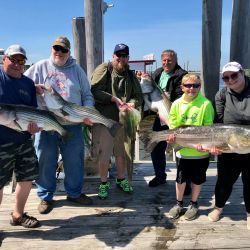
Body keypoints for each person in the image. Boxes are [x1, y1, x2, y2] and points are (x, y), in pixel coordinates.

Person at [24, 36, 94, 214]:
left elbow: (87, 94)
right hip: (45, 123)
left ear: (69, 52)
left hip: (72, 122)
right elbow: (22, 85)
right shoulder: (39, 66)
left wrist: (87, 112)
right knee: (45, 159)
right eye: (56, 48)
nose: (59, 52)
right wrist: (34, 88)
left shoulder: (77, 70)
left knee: (74, 159)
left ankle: (74, 192)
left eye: (63, 49)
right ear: (51, 49)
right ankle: (45, 196)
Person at [91, 43, 143, 199]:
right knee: (104, 153)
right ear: (113, 56)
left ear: (128, 58)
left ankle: (121, 179)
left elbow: (138, 96)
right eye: (118, 55)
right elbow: (94, 91)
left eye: (124, 56)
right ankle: (103, 183)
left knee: (122, 153)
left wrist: (133, 103)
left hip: (124, 120)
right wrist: (113, 99)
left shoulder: (130, 74)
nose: (121, 58)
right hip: (105, 120)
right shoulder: (104, 69)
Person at [0, 45, 40, 228]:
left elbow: (33, 112)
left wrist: (33, 128)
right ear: (4, 59)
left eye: (21, 61)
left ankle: (18, 215)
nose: (17, 64)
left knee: (27, 177)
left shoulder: (28, 84)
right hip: (1, 142)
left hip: (24, 140)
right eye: (13, 59)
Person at [207, 62, 250, 230]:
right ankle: (218, 207)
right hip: (228, 144)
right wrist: (214, 144)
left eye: (234, 75)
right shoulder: (222, 94)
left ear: (242, 73)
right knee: (224, 180)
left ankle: (249, 213)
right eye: (226, 77)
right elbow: (217, 122)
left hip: (247, 141)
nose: (230, 80)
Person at [166, 73, 214, 220]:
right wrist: (171, 137)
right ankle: (179, 203)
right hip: (183, 151)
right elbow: (173, 125)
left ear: (200, 87)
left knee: (197, 179)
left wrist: (205, 145)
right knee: (180, 179)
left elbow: (209, 128)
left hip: (200, 153)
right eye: (188, 85)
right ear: (182, 87)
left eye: (195, 85)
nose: (191, 88)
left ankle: (194, 204)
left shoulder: (206, 104)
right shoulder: (176, 104)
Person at [148, 50, 190, 189]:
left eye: (169, 60)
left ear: (175, 60)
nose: (166, 63)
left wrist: (166, 97)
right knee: (156, 146)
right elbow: (150, 89)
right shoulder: (158, 72)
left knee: (180, 149)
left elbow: (182, 95)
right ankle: (160, 176)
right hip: (159, 115)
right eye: (164, 60)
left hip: (176, 116)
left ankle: (185, 181)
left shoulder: (182, 75)